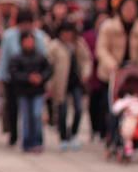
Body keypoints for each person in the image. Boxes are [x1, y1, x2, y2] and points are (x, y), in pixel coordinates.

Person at [0, 8, 49, 147]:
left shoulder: (39, 36)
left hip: (34, 78)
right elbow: (3, 58)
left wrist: (42, 78)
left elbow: (44, 59)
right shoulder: (9, 36)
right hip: (14, 77)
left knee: (34, 112)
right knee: (12, 108)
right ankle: (14, 134)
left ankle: (34, 138)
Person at [47, 21, 92, 150]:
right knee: (62, 111)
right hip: (60, 83)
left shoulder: (78, 44)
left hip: (75, 82)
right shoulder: (54, 46)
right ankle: (63, 137)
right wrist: (49, 85)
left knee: (79, 109)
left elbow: (86, 59)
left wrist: (85, 73)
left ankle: (73, 134)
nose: (67, 35)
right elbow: (48, 66)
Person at [9, 31, 54, 152]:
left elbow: (49, 70)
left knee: (36, 115)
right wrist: (28, 77)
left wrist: (41, 77)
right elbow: (14, 74)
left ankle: (37, 141)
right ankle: (27, 142)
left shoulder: (40, 56)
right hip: (23, 91)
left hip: (37, 91)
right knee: (26, 118)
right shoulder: (17, 57)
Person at [95, 0, 138, 84]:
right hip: (109, 75)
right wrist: (113, 66)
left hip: (133, 75)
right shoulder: (108, 26)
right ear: (121, 9)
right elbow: (101, 49)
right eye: (127, 8)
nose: (130, 11)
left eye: (133, 8)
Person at [84, 12, 109, 141]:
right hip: (93, 75)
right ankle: (94, 129)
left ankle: (104, 131)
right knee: (93, 104)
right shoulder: (88, 36)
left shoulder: (110, 35)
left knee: (104, 105)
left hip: (107, 74)